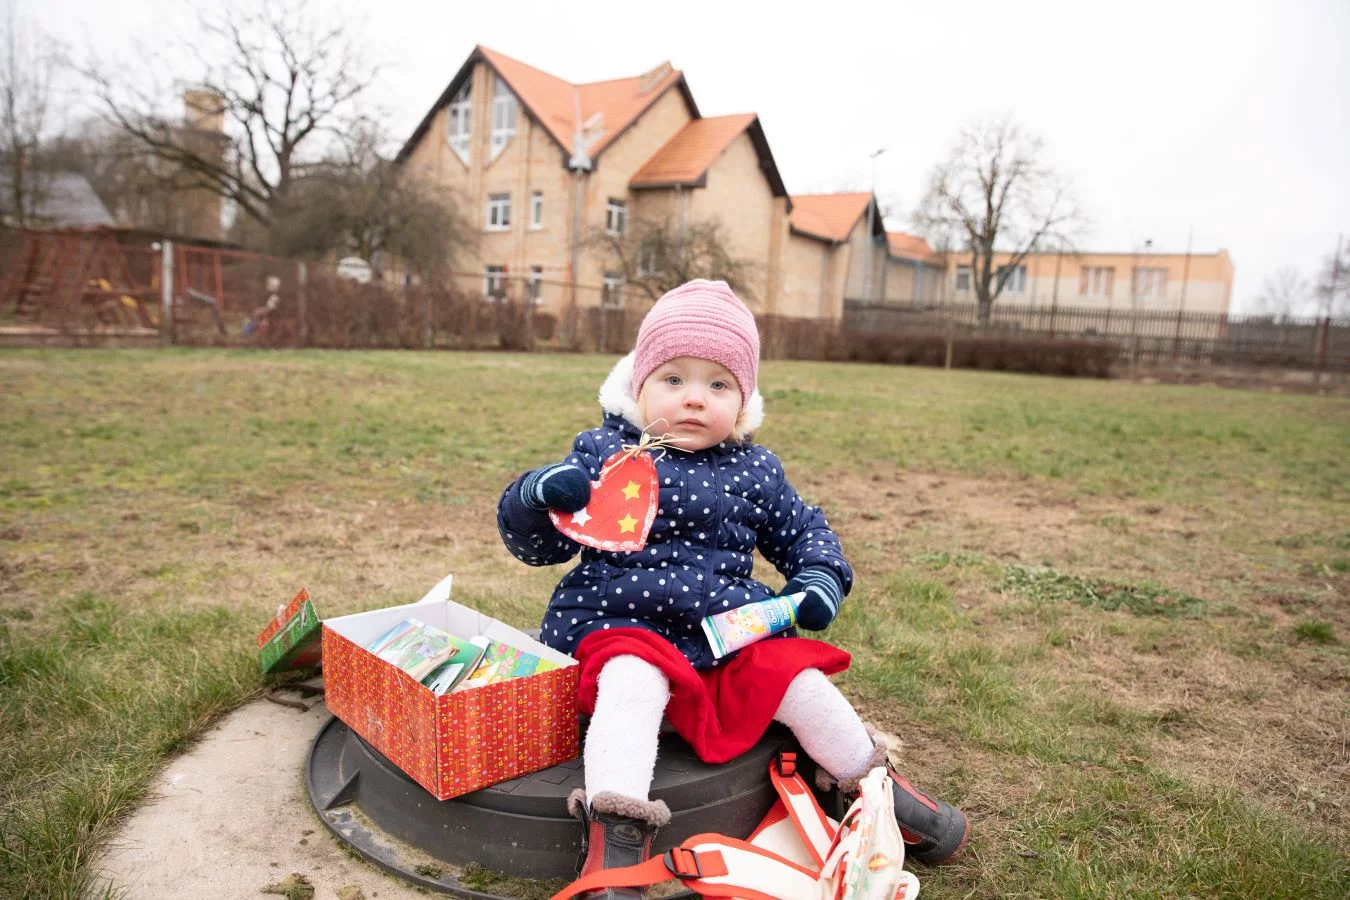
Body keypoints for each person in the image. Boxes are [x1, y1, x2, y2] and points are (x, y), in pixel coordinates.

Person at [497, 280, 967, 898]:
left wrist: (820, 575)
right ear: (638, 385)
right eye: (674, 379)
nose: (695, 399)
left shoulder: (756, 468)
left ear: (742, 401)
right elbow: (539, 545)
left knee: (799, 684)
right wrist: (538, 497)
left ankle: (868, 787)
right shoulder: (608, 455)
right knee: (630, 689)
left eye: (718, 385)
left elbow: (804, 528)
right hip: (621, 624)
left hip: (725, 632)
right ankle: (615, 841)